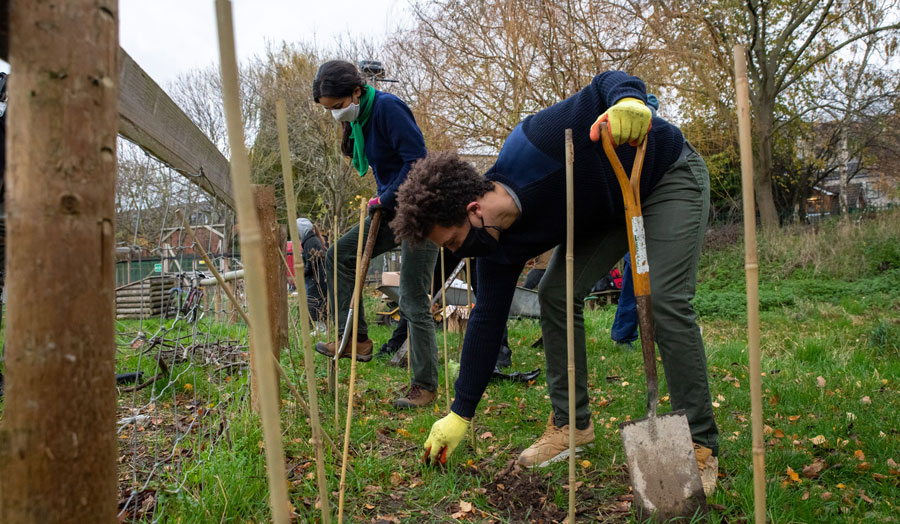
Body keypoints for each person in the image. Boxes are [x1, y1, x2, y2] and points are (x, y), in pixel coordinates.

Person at [389, 71, 719, 494]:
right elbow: (488, 319)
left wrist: (628, 102)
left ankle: (700, 443)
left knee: (665, 299)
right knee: (556, 293)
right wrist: (460, 413)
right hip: (607, 210)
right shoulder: (496, 248)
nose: (458, 252)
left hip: (666, 176)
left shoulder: (534, 143)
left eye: (454, 240)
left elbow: (606, 83)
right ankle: (571, 424)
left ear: (473, 209)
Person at [311, 60, 440, 409]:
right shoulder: (360, 121)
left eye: (338, 107)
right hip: (389, 208)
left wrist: (384, 198)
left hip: (420, 209)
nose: (336, 115)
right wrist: (383, 199)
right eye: (330, 111)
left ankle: (425, 385)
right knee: (338, 255)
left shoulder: (387, 108)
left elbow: (417, 162)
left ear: (356, 91)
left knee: (413, 298)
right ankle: (355, 338)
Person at [295, 217, 328, 333]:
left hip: (316, 278)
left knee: (316, 302)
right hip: (316, 277)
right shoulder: (310, 240)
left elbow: (313, 261)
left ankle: (321, 328)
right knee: (315, 302)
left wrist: (303, 272)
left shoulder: (311, 241)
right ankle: (319, 328)